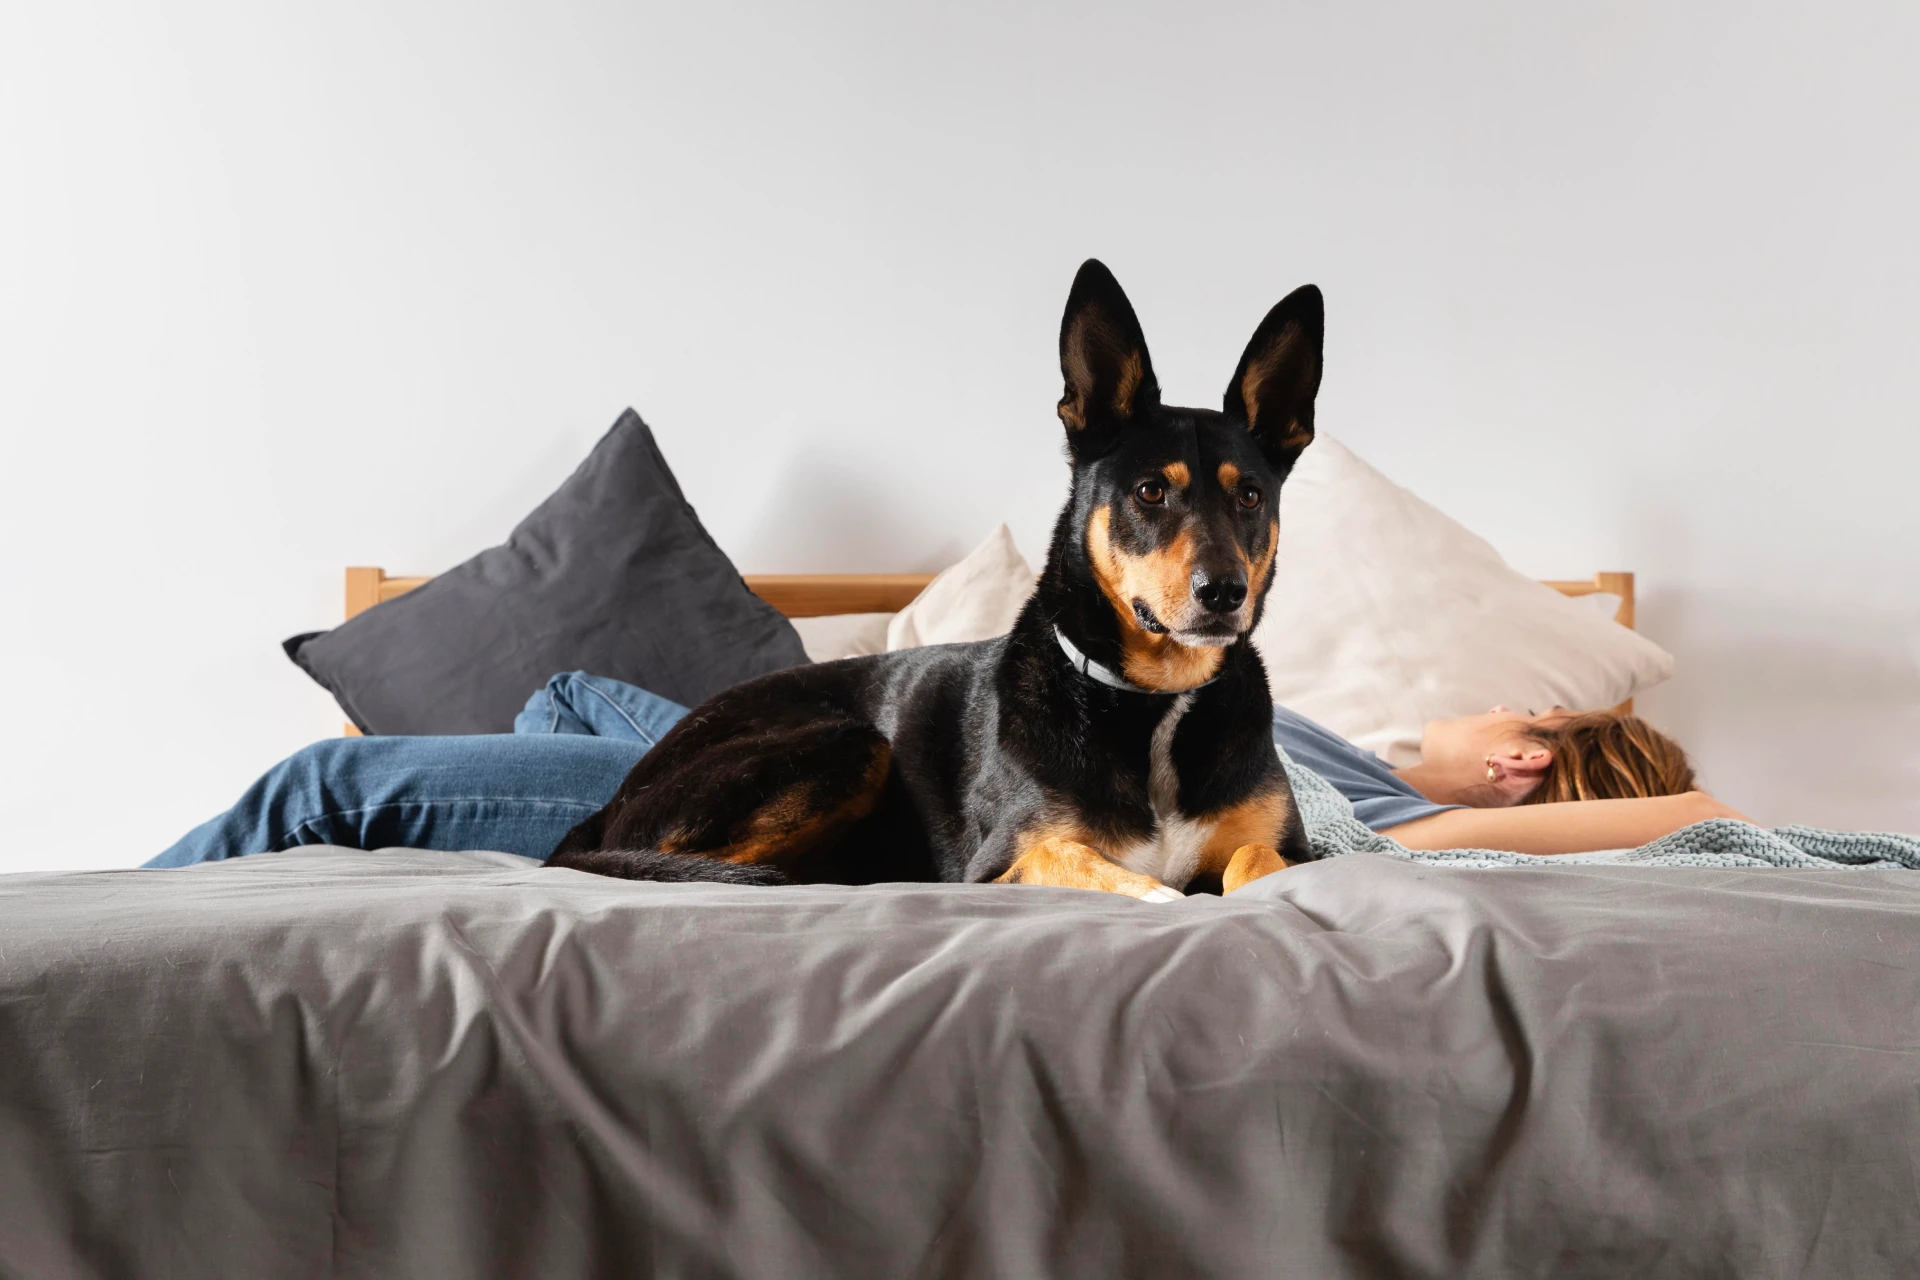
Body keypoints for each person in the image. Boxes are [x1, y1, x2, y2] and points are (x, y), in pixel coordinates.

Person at [147, 673, 1748, 870]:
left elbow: (1707, 817)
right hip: (804, 712)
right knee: (572, 687)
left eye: (1506, 720)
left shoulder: (1356, 796)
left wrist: (1496, 788)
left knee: (322, 785)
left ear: (1529, 754)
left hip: (863, 766)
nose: (1469, 712)